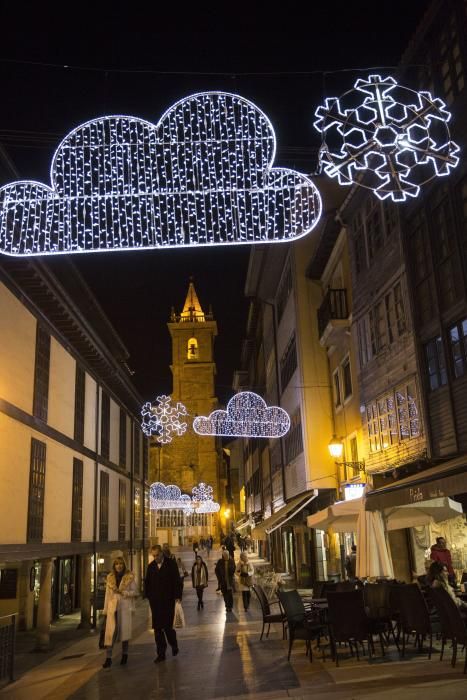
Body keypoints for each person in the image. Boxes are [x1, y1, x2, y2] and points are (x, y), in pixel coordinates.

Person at [145, 545, 183, 663]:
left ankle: (174, 644)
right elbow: (147, 584)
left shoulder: (171, 564)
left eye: (157, 555)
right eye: (154, 556)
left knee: (168, 628)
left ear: (162, 553)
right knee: (157, 629)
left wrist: (177, 597)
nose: (155, 557)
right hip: (156, 603)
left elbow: (177, 581)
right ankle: (161, 653)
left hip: (168, 601)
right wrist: (149, 597)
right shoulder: (151, 567)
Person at [102, 557, 138, 669]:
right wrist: (106, 610)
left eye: (121, 564)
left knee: (124, 632)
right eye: (117, 564)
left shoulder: (129, 577)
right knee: (110, 634)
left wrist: (124, 592)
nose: (119, 566)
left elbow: (135, 592)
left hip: (124, 607)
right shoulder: (110, 578)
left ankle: (125, 654)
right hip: (113, 607)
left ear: (124, 565)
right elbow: (107, 595)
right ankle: (108, 658)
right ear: (114, 565)